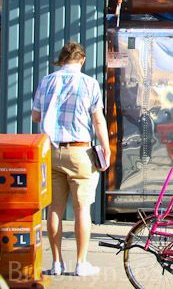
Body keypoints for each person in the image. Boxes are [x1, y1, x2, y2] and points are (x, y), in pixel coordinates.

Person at [31, 42, 111, 277]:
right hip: (79, 152)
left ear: (61, 59)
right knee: (81, 209)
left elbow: (36, 116)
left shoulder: (46, 81)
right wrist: (106, 149)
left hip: (51, 151)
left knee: (54, 209)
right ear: (82, 59)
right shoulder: (89, 83)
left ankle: (56, 263)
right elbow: (98, 121)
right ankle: (81, 263)